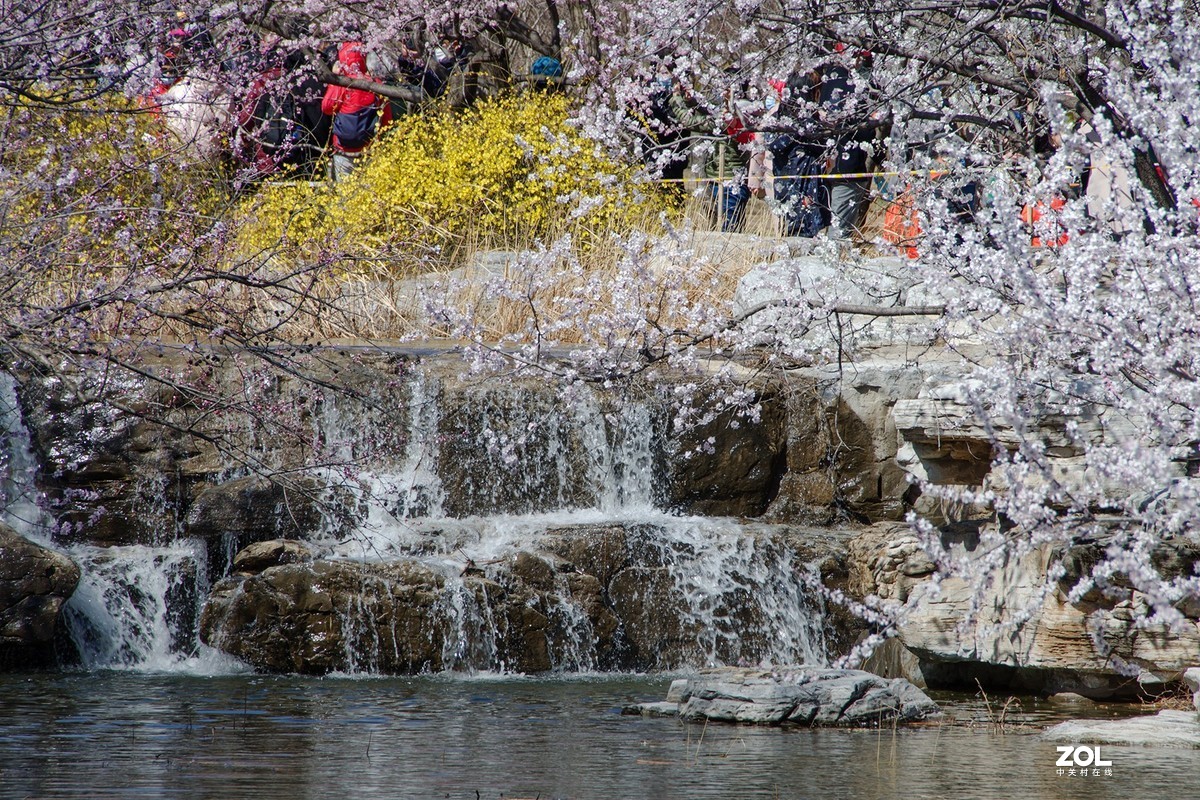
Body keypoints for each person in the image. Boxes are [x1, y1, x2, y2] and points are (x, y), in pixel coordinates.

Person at [815, 45, 883, 239]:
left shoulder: (833, 77)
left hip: (836, 166)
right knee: (838, 234)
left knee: (832, 230)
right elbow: (851, 124)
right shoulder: (843, 78)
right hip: (844, 167)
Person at [670, 79, 751, 232]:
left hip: (729, 180)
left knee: (730, 230)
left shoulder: (733, 114)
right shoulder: (742, 109)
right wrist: (691, 101)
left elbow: (692, 122)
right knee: (728, 226)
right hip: (722, 177)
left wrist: (676, 97)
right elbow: (707, 114)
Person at [322, 42, 393, 181]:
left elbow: (327, 108)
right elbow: (387, 120)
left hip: (343, 148)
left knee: (345, 194)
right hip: (368, 147)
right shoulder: (375, 84)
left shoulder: (342, 83)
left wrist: (333, 81)